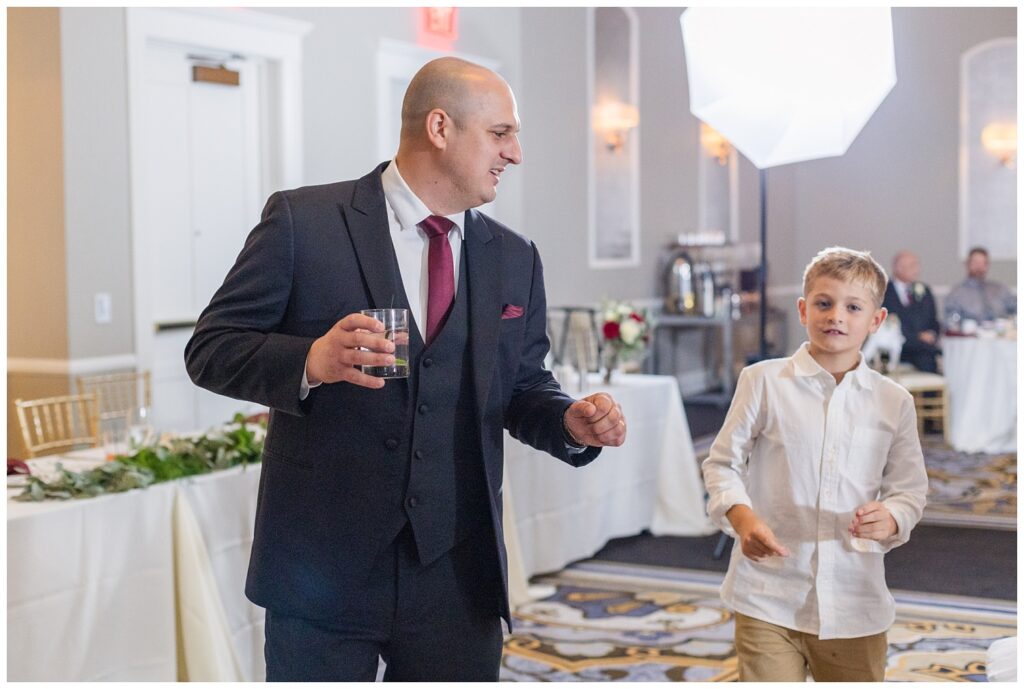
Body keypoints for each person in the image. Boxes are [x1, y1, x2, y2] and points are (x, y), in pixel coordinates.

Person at [184, 57, 627, 682]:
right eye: (501, 134)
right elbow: (210, 348)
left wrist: (570, 423)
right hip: (322, 571)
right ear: (440, 127)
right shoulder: (304, 223)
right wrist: (309, 360)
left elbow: (524, 387)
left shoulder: (513, 257)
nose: (517, 153)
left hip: (456, 571)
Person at [702, 247, 928, 682]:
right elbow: (722, 464)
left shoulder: (893, 401)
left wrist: (894, 517)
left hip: (855, 601)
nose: (836, 316)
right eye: (824, 303)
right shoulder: (762, 381)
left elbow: (909, 489)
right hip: (768, 593)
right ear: (804, 310)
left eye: (853, 307)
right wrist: (743, 519)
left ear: (876, 321)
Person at [881, 250, 941, 372]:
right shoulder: (883, 292)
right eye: (912, 265)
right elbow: (884, 324)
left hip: (923, 349)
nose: (917, 269)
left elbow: (933, 320)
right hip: (896, 347)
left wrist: (932, 334)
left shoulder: (924, 290)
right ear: (898, 268)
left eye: (917, 265)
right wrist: (917, 337)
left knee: (929, 358)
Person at [944, 246, 1016, 324]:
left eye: (983, 263)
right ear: (967, 264)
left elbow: (1015, 310)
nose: (979, 267)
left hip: (1000, 333)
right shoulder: (956, 293)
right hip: (970, 335)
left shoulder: (1000, 289)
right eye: (975, 262)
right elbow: (951, 320)